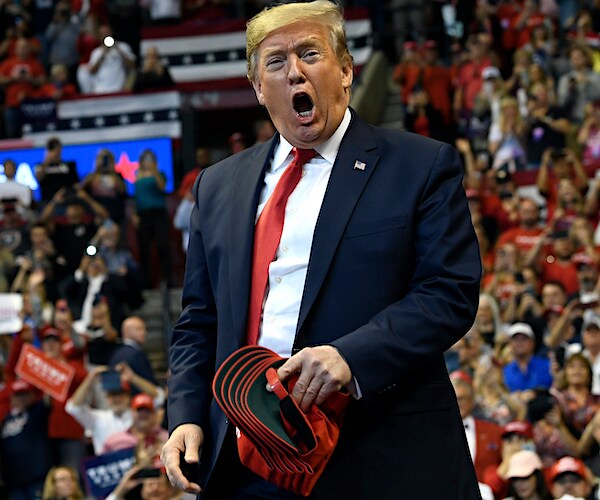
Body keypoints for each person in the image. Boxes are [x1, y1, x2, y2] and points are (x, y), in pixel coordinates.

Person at [161, 2, 482, 499]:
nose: (294, 71)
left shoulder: (420, 165)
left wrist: (349, 356)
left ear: (347, 70)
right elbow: (198, 321)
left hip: (379, 455)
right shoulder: (217, 186)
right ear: (257, 88)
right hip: (248, 464)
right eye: (276, 61)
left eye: (310, 53)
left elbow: (448, 294)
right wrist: (184, 416)